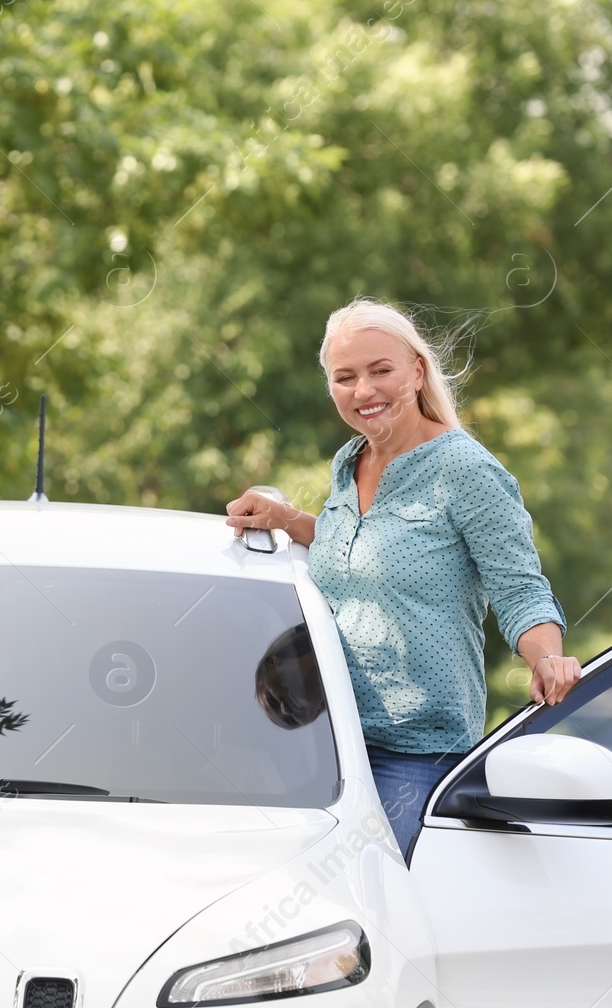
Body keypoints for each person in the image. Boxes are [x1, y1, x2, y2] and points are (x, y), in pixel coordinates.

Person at [225, 298, 581, 859]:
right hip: (326, 746)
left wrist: (547, 658)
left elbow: (520, 589)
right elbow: (364, 554)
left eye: (380, 370)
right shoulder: (350, 462)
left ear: (416, 371)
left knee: (381, 920)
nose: (364, 390)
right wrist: (291, 522)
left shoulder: (465, 471)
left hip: (414, 759)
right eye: (345, 377)